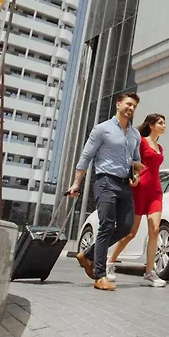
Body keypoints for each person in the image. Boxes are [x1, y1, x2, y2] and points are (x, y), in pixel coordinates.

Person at [67, 92, 145, 291]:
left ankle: (88, 254)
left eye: (134, 106)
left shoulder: (135, 135)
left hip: (125, 185)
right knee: (107, 225)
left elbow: (136, 160)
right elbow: (86, 156)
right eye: (128, 104)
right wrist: (76, 184)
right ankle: (100, 276)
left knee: (126, 227)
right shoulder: (102, 129)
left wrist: (136, 173)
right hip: (105, 181)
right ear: (118, 104)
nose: (131, 108)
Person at [107, 114, 167, 288]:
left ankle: (149, 273)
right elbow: (129, 160)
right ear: (151, 125)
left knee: (155, 229)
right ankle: (110, 262)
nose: (164, 126)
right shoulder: (141, 142)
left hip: (155, 191)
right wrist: (132, 176)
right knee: (131, 233)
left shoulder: (160, 147)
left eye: (164, 123)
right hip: (139, 190)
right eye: (160, 123)